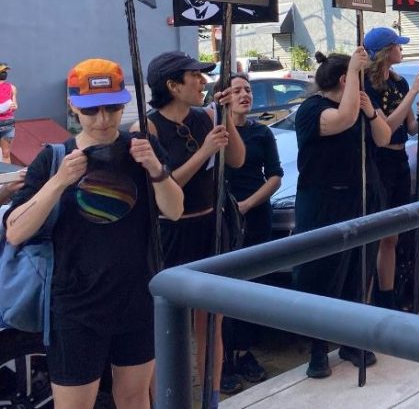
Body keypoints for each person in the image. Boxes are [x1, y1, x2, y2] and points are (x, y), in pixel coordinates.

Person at [4, 59, 184, 409]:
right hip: (75, 307)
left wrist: (156, 170)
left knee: (134, 398)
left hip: (137, 298)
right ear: (73, 106)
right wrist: (58, 182)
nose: (103, 119)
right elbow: (15, 232)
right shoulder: (53, 159)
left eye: (113, 108)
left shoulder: (142, 150)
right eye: (92, 110)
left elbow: (175, 210)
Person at [144, 51, 245, 405]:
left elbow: (236, 159)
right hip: (169, 231)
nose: (203, 82)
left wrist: (225, 117)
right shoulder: (150, 127)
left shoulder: (204, 116)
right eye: (195, 77)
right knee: (166, 324)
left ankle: (211, 397)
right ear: (172, 85)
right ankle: (166, 399)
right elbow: (165, 188)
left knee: (210, 320)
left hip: (208, 224)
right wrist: (203, 152)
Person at [292, 49, 391, 378]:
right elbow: (343, 120)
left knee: (359, 272)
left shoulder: (359, 104)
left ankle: (352, 341)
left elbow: (384, 137)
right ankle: (318, 349)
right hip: (325, 202)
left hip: (362, 196)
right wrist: (355, 91)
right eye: (357, 76)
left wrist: (373, 113)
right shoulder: (312, 109)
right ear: (345, 79)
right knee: (323, 275)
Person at [220, 74, 283, 392]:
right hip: (222, 217)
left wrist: (246, 205)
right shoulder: (216, 132)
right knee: (224, 287)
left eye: (247, 89)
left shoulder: (262, 132)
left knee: (253, 284)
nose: (245, 94)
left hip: (255, 214)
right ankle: (222, 360)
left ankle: (245, 352)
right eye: (237, 90)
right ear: (224, 97)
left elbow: (274, 176)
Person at [362, 27, 419, 311]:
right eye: (397, 45)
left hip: (401, 161)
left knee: (393, 235)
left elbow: (410, 126)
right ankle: (370, 297)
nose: (401, 50)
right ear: (385, 50)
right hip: (379, 162)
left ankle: (387, 295)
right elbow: (386, 128)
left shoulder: (400, 81)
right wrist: (413, 93)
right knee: (376, 234)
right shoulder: (367, 85)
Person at [0, 62, 17, 164]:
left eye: (5, 71)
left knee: (6, 153)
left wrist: (14, 106)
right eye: (2, 71)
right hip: (6, 123)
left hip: (7, 124)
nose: (4, 73)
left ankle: (7, 178)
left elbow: (15, 104)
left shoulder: (12, 87)